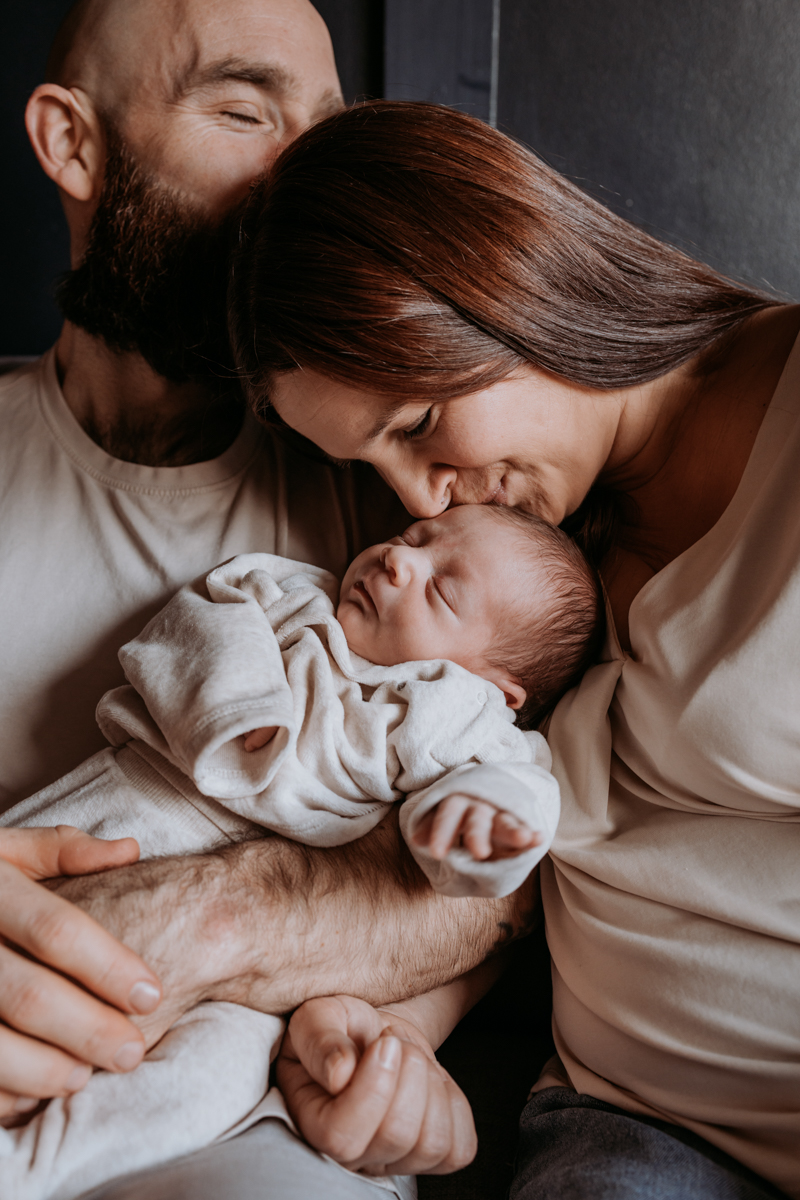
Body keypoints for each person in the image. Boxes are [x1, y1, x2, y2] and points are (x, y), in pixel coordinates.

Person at [0, 3, 540, 1195]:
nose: (308, 178)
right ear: (73, 145)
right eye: (245, 111)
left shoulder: (406, 502)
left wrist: (393, 1029)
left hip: (246, 1124)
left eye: (326, 128)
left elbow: (506, 884)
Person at [225, 101, 800, 1198]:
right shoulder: (512, 565)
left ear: (500, 282)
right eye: (372, 474)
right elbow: (498, 859)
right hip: (616, 1125)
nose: (411, 503)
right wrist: (396, 1031)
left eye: (414, 425)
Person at [2, 502, 598, 1200]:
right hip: (144, 804)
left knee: (212, 1080)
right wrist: (242, 705)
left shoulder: (455, 709)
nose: (399, 560)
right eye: (412, 538)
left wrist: (477, 826)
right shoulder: (289, 594)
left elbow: (523, 790)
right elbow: (203, 617)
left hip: (268, 975)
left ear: (498, 688)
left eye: (441, 589)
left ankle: (35, 1169)